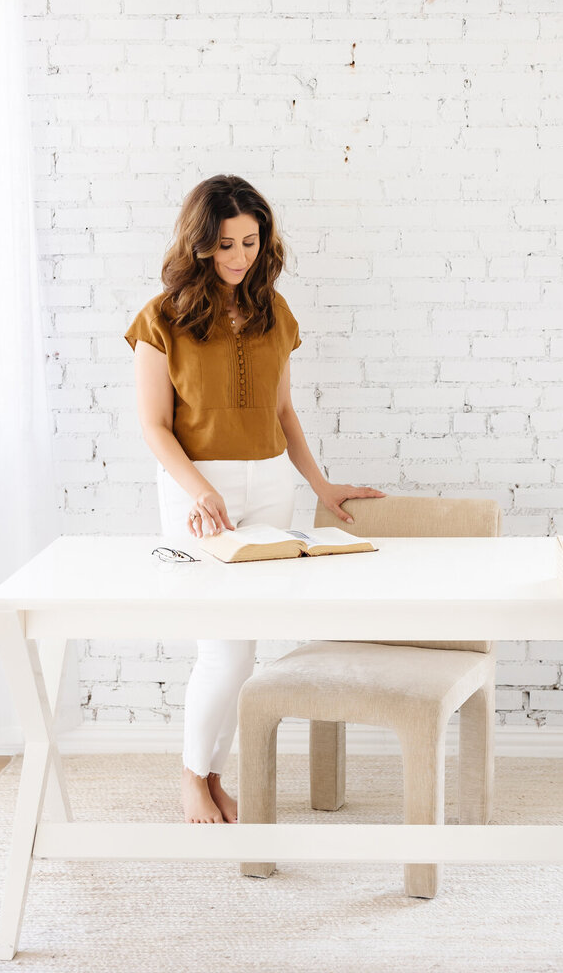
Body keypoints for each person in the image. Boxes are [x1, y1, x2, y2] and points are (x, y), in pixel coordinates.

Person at [124, 175, 385, 825]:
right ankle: (194, 777)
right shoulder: (160, 319)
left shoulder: (275, 310)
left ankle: (209, 774)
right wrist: (202, 489)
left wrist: (321, 486)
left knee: (242, 646)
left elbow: (284, 413)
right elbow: (154, 426)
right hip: (196, 491)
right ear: (199, 245)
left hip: (270, 487)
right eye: (224, 244)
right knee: (221, 645)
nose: (239, 256)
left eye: (249, 241)